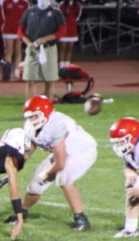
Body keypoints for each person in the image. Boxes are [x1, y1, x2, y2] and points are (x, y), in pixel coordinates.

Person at [14, 95, 96, 231]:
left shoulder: (57, 125)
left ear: (46, 113)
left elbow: (60, 163)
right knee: (35, 185)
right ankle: (22, 212)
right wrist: (18, 164)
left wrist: (47, 174)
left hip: (82, 151)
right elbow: (33, 143)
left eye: (35, 116)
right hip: (63, 152)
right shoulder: (31, 125)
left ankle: (81, 218)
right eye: (30, 116)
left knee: (64, 178)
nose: (32, 120)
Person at [18, 0, 66, 99]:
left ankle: (48, 106)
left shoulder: (55, 12)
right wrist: (27, 42)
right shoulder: (30, 11)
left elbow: (62, 31)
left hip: (48, 48)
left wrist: (46, 38)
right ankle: (30, 105)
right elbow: (20, 29)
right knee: (30, 79)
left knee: (49, 80)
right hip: (33, 48)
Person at [2, 0, 29, 80]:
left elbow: (27, 16)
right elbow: (3, 15)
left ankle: (17, 71)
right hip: (8, 29)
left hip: (19, 29)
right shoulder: (5, 2)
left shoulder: (25, 3)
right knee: (9, 50)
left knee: (18, 50)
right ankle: (7, 72)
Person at [58, 0, 82, 69]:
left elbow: (78, 17)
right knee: (62, 48)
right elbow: (58, 16)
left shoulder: (78, 5)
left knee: (70, 48)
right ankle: (61, 66)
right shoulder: (62, 5)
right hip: (64, 29)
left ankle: (67, 66)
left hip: (73, 29)